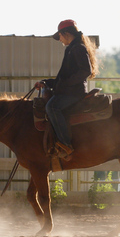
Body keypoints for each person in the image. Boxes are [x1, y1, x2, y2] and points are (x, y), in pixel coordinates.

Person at [35, 19, 99, 158]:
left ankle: (65, 143)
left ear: (66, 33)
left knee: (52, 107)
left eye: (60, 36)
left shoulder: (77, 48)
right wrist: (46, 82)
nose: (60, 40)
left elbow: (85, 71)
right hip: (70, 90)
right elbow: (63, 78)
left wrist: (65, 84)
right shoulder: (72, 48)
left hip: (74, 93)